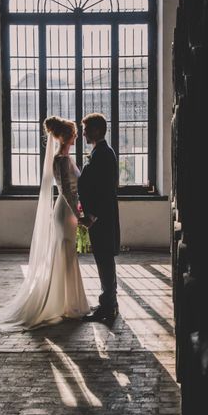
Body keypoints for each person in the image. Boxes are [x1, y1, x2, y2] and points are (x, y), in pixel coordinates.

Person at [0, 116, 90, 333]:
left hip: (69, 210)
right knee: (65, 254)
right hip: (65, 211)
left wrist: (79, 209)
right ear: (64, 137)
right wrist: (78, 214)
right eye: (73, 134)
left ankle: (68, 302)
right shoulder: (61, 160)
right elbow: (65, 190)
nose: (75, 137)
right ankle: (66, 304)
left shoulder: (67, 158)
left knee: (67, 254)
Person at [78, 113, 121, 324]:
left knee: (104, 261)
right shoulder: (101, 152)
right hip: (101, 218)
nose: (83, 133)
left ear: (96, 130)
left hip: (101, 219)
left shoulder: (103, 154)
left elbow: (104, 190)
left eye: (85, 129)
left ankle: (108, 307)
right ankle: (109, 303)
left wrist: (92, 216)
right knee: (104, 261)